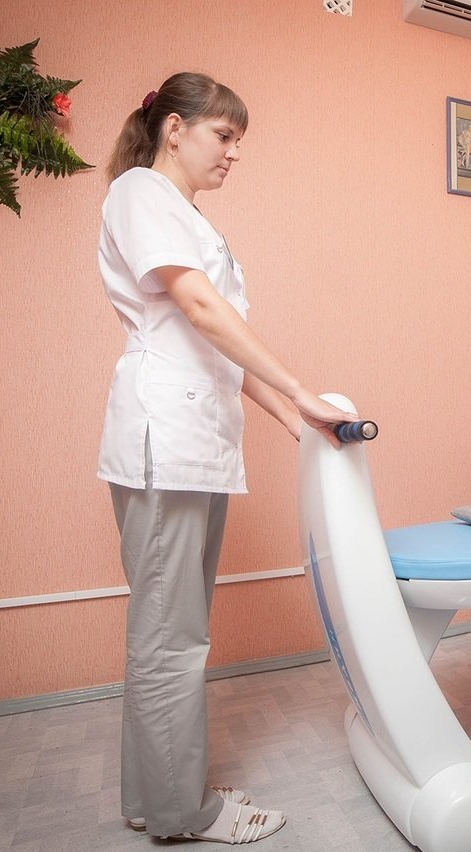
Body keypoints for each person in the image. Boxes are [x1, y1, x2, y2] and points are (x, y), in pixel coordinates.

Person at [97, 72, 358, 844]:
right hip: (165, 442)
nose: (234, 152)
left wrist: (293, 418)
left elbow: (217, 348)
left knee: (170, 631)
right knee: (171, 638)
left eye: (238, 140)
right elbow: (201, 309)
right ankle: (184, 814)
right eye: (224, 135)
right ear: (174, 129)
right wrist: (301, 387)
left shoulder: (185, 216)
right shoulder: (140, 192)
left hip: (193, 444)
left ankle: (155, 797)